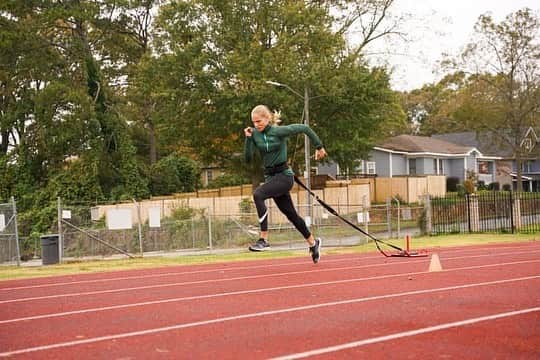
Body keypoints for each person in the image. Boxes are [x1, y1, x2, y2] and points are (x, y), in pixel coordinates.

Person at [244, 104, 327, 263]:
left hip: (284, 176)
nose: (256, 125)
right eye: (254, 122)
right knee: (292, 215)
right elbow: (247, 159)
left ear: (267, 119)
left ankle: (263, 239)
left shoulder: (279, 131)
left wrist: (319, 147)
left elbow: (305, 128)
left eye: (259, 121)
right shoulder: (254, 135)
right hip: (271, 178)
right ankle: (313, 243)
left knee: (258, 194)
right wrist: (248, 140)